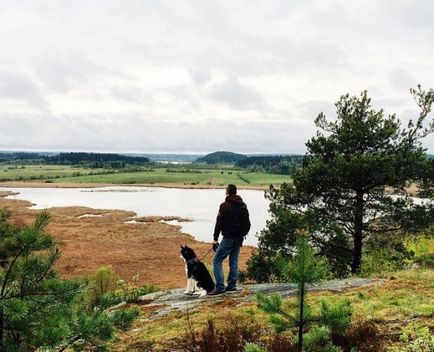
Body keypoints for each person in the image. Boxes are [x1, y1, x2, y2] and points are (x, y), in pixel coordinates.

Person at [208, 184, 250, 295]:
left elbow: (219, 223)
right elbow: (247, 223)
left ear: (227, 192)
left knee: (216, 261)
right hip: (239, 238)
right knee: (234, 260)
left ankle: (220, 287)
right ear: (235, 192)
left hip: (229, 238)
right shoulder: (243, 205)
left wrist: (215, 239)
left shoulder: (224, 205)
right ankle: (231, 285)